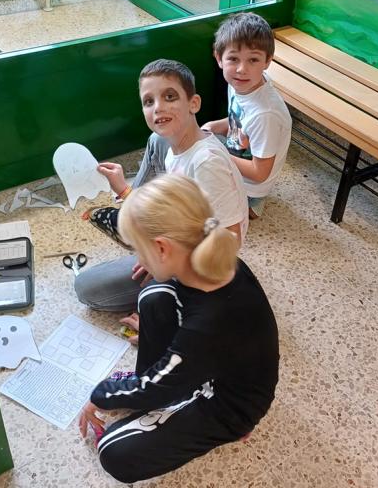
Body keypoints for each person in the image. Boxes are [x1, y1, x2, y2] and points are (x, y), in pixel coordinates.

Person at [78, 175, 279, 483]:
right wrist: (166, 338)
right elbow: (196, 334)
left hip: (228, 404)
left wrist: (101, 395)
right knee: (154, 295)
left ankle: (223, 427)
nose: (138, 258)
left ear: (162, 248)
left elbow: (156, 383)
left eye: (139, 250)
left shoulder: (206, 328)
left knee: (112, 451)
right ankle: (165, 387)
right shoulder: (217, 264)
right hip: (210, 363)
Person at [74, 59, 248, 311]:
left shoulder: (207, 164)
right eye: (148, 101)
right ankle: (132, 215)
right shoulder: (174, 145)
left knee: (86, 289)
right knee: (157, 139)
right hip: (178, 234)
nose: (158, 107)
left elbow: (231, 242)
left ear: (194, 103)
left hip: (200, 260)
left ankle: (133, 222)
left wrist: (166, 263)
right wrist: (125, 190)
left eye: (169, 97)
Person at [201, 12, 292, 219]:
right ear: (219, 58)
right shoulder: (242, 84)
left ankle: (249, 207)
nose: (242, 69)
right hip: (237, 155)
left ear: (267, 61)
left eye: (253, 60)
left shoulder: (266, 114)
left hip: (250, 189)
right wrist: (213, 126)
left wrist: (218, 155)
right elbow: (239, 121)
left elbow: (259, 173)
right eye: (233, 59)